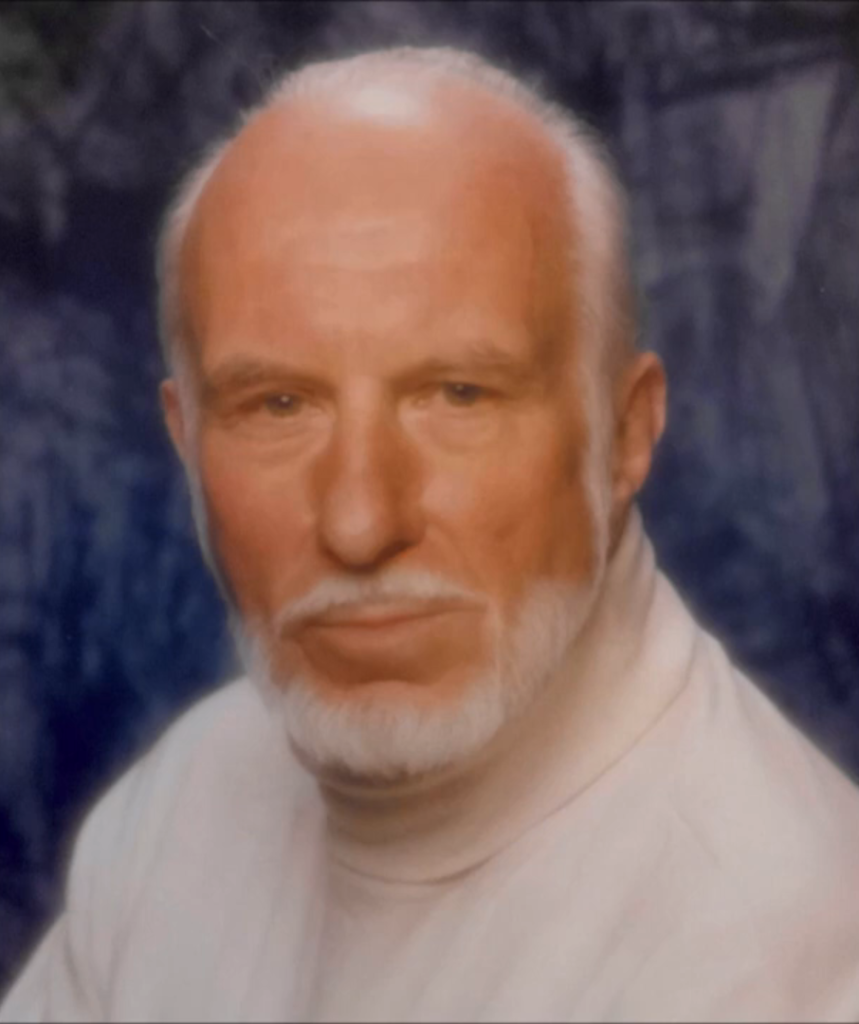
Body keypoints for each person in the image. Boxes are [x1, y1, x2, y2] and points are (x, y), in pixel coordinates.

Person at [4, 45, 859, 1023]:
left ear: (625, 434)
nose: (359, 522)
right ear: (186, 442)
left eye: (458, 395)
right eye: (278, 404)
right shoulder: (181, 800)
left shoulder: (766, 955)